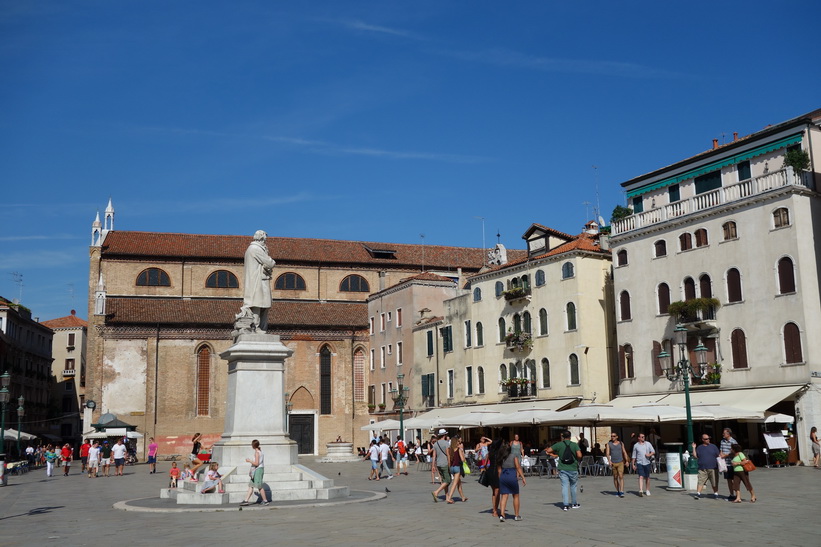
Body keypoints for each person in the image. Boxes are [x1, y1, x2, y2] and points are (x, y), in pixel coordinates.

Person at [241, 230, 277, 332]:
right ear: (261, 238)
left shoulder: (253, 249)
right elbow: (270, 263)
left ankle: (261, 328)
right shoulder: (255, 249)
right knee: (257, 303)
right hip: (257, 281)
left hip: (259, 280)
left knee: (263, 305)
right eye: (265, 239)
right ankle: (256, 327)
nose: (265, 241)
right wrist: (270, 262)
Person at [546, 430, 583, 511]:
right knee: (573, 486)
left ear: (563, 437)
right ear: (570, 437)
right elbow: (580, 455)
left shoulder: (559, 444)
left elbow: (548, 450)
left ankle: (565, 505)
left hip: (562, 468)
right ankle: (574, 503)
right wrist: (577, 459)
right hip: (573, 467)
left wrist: (557, 452)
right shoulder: (574, 445)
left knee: (564, 486)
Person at [496, 438, 526, 522]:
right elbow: (518, 467)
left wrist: (500, 479)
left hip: (503, 476)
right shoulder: (513, 456)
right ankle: (516, 515)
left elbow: (499, 471)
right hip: (512, 475)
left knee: (504, 496)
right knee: (515, 496)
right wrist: (523, 477)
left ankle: (502, 515)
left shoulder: (500, 457)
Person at [240, 439, 270, 506]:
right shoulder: (260, 452)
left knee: (259, 486)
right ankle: (246, 500)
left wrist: (249, 461)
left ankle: (265, 501)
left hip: (258, 470)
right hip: (257, 470)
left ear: (253, 445)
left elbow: (256, 463)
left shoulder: (257, 453)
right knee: (251, 485)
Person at [691, 434, 720, 499]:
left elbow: (718, 456)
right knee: (700, 481)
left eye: (709, 438)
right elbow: (695, 456)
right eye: (706, 439)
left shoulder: (713, 446)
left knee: (714, 481)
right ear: (702, 440)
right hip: (702, 468)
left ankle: (716, 493)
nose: (708, 440)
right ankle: (698, 494)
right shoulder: (699, 447)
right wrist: (693, 448)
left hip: (713, 467)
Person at [606, 432, 630, 498]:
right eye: (611, 436)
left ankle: (622, 491)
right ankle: (618, 490)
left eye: (614, 436)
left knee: (621, 476)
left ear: (617, 437)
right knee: (615, 477)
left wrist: (627, 461)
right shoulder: (609, 444)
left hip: (620, 462)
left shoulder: (621, 443)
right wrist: (609, 461)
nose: (612, 437)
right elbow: (607, 453)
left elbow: (624, 452)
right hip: (613, 462)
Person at [631, 433, 655, 497]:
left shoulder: (648, 444)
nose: (643, 438)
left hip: (647, 462)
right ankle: (641, 490)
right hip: (639, 462)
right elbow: (634, 455)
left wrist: (649, 455)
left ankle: (647, 490)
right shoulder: (636, 445)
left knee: (647, 477)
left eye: (644, 437)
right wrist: (633, 464)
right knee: (641, 476)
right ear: (638, 438)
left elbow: (653, 451)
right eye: (642, 437)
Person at [431, 430, 452, 502]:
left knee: (444, 480)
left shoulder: (436, 444)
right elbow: (448, 455)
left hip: (438, 464)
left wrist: (433, 466)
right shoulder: (446, 443)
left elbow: (434, 456)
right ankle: (436, 492)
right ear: (444, 435)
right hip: (445, 463)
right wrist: (449, 464)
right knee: (448, 480)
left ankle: (447, 497)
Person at [445, 436, 467, 504]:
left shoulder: (450, 450)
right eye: (458, 441)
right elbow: (463, 460)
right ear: (456, 442)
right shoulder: (458, 450)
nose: (459, 442)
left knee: (459, 483)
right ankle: (449, 497)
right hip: (457, 468)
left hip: (451, 468)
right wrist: (462, 453)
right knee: (454, 483)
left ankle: (463, 497)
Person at [719, 428, 738, 501]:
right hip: (725, 464)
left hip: (732, 463)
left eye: (724, 433)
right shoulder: (722, 441)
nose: (723, 434)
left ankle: (737, 494)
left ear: (728, 434)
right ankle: (731, 494)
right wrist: (721, 454)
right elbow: (721, 450)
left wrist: (726, 455)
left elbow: (735, 452)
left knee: (734, 480)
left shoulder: (733, 441)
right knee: (728, 479)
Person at [486, 437, 503, 518]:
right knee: (497, 492)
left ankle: (494, 509)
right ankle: (495, 511)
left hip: (490, 471)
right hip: (497, 472)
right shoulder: (500, 453)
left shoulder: (490, 452)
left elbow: (485, 463)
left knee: (493, 492)